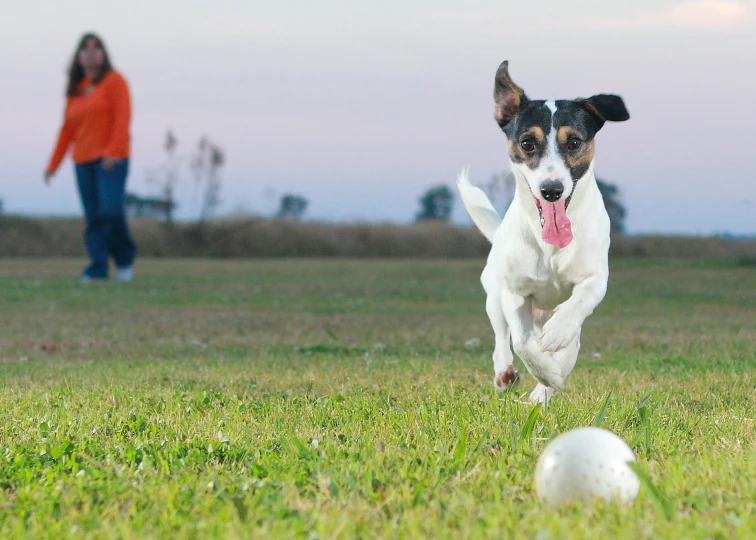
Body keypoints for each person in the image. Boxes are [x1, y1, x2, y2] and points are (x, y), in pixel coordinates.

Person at [45, 33, 137, 282]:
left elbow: (122, 120)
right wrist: (53, 165)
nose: (91, 52)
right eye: (85, 48)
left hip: (111, 160)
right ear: (78, 56)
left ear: (104, 54)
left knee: (110, 210)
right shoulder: (77, 88)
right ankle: (98, 267)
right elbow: (67, 130)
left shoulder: (115, 81)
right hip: (82, 161)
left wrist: (112, 151)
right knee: (93, 217)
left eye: (97, 48)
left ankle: (125, 258)